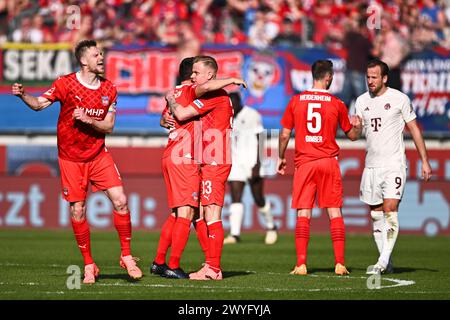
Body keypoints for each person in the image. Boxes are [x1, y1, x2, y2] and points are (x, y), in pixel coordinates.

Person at [11, 39, 142, 284]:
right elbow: (39, 104)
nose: (101, 58)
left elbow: (110, 126)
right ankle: (89, 264)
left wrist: (88, 121)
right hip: (71, 158)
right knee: (78, 209)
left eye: (101, 53)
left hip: (98, 154)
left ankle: (126, 256)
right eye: (95, 55)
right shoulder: (65, 83)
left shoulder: (109, 89)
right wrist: (23, 95)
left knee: (121, 201)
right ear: (83, 60)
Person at [155, 56, 247, 279]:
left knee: (211, 213)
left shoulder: (215, 95)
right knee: (198, 213)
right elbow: (170, 117)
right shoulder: (206, 93)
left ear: (209, 76)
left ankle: (212, 268)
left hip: (215, 159)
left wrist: (171, 101)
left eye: (196, 73)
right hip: (204, 158)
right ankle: (207, 264)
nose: (192, 77)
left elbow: (182, 113)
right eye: (192, 73)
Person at [277, 59, 362, 276]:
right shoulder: (336, 103)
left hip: (305, 163)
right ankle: (340, 263)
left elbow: (285, 133)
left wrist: (280, 156)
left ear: (312, 75)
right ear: (329, 78)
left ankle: (301, 264)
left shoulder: (296, 100)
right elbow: (352, 136)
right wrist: (358, 125)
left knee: (303, 213)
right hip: (328, 162)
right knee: (334, 212)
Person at [354, 59, 432, 275]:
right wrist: (354, 127)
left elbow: (414, 129)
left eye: (374, 77)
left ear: (384, 78)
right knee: (375, 214)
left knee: (390, 209)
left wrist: (424, 160)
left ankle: (381, 262)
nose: (370, 81)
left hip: (393, 165)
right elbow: (353, 136)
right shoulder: (361, 101)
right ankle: (386, 261)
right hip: (371, 166)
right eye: (367, 77)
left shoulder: (399, 99)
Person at [223, 91, 278, 245]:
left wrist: (258, 164)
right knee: (235, 196)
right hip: (235, 162)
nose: (231, 106)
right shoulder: (227, 117)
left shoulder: (252, 115)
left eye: (233, 103)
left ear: (240, 102)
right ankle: (234, 234)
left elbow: (261, 139)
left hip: (253, 162)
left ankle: (271, 227)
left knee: (258, 198)